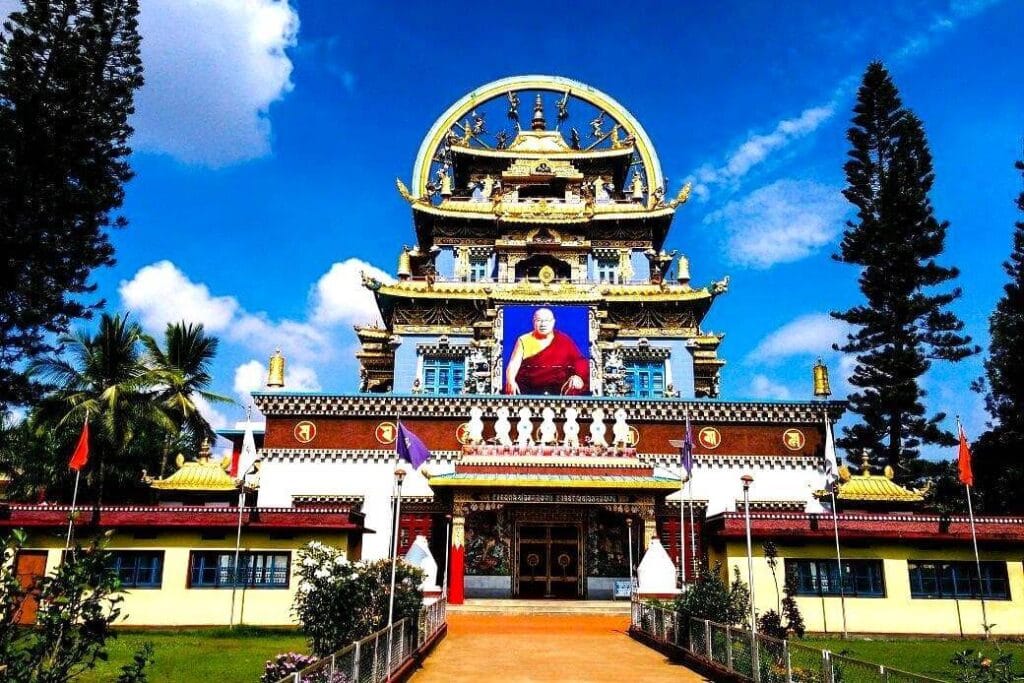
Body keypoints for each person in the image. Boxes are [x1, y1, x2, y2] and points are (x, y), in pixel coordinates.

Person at [505, 308, 589, 395]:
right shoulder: (524, 340)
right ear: (533, 322)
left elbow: (580, 361)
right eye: (539, 320)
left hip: (558, 390)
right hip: (528, 390)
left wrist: (579, 378)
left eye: (547, 321)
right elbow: (513, 363)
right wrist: (510, 379)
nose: (543, 324)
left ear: (553, 322)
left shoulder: (564, 340)